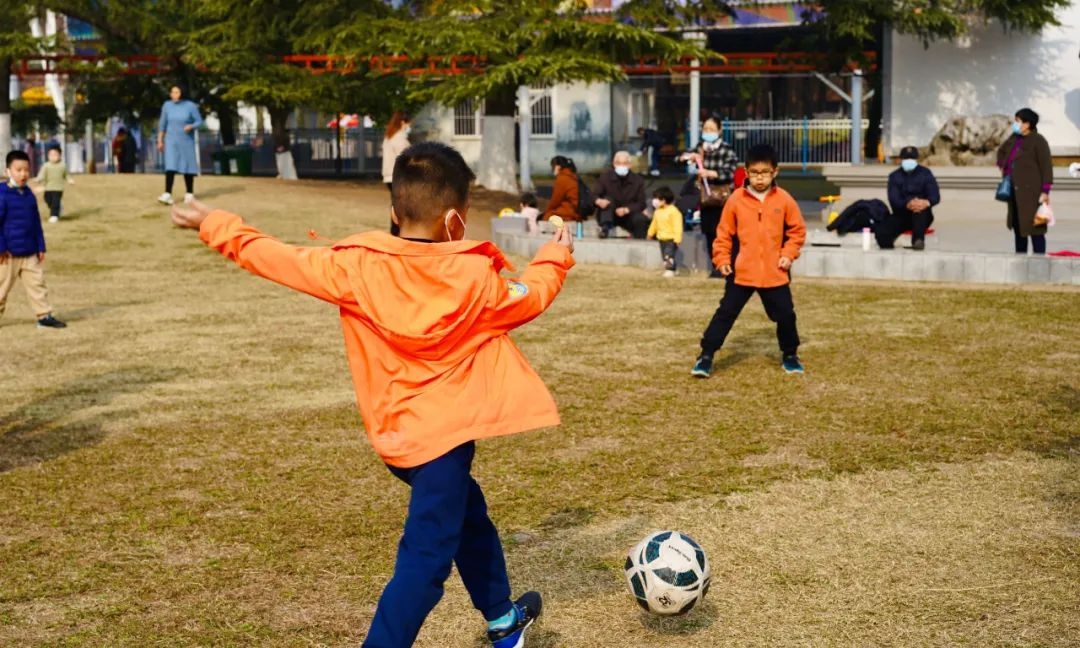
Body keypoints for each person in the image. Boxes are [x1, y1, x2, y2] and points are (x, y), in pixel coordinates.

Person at [170, 141, 575, 648]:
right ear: (456, 219)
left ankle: (502, 619)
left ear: (393, 211)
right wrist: (555, 255)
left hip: (397, 441)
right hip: (443, 446)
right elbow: (532, 295)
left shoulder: (353, 268)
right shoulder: (476, 279)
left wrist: (217, 225)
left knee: (468, 513)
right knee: (425, 564)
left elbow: (274, 257)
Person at [691, 144, 805, 378]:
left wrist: (787, 254)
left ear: (775, 172)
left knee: (785, 314)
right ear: (746, 172)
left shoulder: (784, 200)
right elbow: (723, 233)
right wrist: (721, 259)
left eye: (764, 172)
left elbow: (797, 231)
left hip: (775, 272)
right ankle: (706, 355)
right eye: (754, 173)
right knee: (725, 313)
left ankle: (790, 354)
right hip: (742, 271)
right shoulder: (736, 200)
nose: (759, 178)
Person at [0, 151, 67, 329]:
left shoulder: (28, 194)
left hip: (29, 252)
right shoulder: (2, 194)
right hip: (8, 254)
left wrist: (40, 246)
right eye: (18, 170)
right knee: (1, 288)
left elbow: (36, 222)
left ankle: (44, 317)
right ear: (8, 171)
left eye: (26, 170)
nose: (23, 174)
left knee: (37, 284)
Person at [679, 116, 739, 277]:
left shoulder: (726, 149)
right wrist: (687, 158)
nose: (708, 132)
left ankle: (727, 264)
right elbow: (681, 158)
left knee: (723, 231)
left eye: (712, 129)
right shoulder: (700, 148)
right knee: (708, 231)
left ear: (719, 130)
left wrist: (711, 173)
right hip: (705, 197)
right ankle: (715, 266)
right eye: (705, 129)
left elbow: (730, 172)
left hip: (722, 196)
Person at [996, 108, 1053, 255]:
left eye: (1018, 121)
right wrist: (1004, 166)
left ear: (1027, 124)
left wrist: (1045, 191)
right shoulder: (1014, 138)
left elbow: (1046, 166)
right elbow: (1002, 152)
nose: (1015, 124)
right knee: (1018, 228)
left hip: (1032, 193)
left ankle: (1039, 261)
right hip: (1015, 191)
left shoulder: (1038, 141)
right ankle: (1020, 259)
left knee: (1036, 229)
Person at [156, 85, 203, 206]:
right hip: (171, 140)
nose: (174, 95)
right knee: (170, 165)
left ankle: (189, 193)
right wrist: (160, 140)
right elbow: (162, 124)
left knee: (187, 166)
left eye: (176, 92)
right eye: (172, 92)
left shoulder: (190, 106)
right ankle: (167, 193)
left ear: (182, 93)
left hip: (186, 140)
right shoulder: (167, 106)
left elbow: (199, 121)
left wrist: (191, 126)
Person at [887, 145, 940, 250]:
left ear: (916, 160)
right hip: (902, 213)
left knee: (919, 213)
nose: (908, 161)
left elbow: (935, 196)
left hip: (922, 213)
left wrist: (925, 203)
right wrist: (908, 204)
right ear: (901, 160)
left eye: (911, 159)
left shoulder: (926, 174)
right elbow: (894, 199)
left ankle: (918, 241)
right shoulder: (894, 176)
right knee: (884, 230)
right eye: (906, 159)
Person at [591, 151, 648, 239]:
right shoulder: (605, 177)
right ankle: (605, 229)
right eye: (618, 163)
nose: (621, 166)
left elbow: (641, 203)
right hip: (610, 213)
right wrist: (598, 201)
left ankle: (640, 242)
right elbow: (594, 195)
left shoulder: (637, 180)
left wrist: (626, 210)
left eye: (625, 163)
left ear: (630, 165)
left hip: (629, 214)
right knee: (608, 200)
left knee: (640, 219)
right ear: (614, 164)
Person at [382, 111, 411, 236]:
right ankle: (397, 232)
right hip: (398, 176)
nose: (408, 127)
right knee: (401, 207)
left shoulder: (389, 136)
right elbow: (407, 157)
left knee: (396, 205)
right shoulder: (399, 138)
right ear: (402, 122)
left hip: (389, 176)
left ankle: (395, 232)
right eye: (408, 124)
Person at [646, 185, 683, 277]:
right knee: (665, 255)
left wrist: (677, 239)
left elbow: (677, 226)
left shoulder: (674, 212)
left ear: (664, 200)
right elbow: (654, 224)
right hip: (661, 238)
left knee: (668, 255)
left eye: (657, 198)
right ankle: (673, 269)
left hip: (670, 239)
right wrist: (650, 233)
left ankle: (670, 270)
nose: (655, 201)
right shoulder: (658, 211)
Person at [33, 147, 74, 223]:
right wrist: (38, 179)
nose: (53, 157)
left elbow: (66, 175)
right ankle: (58, 208)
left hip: (58, 188)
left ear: (60, 155)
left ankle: (54, 215)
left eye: (55, 155)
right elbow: (42, 175)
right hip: (48, 187)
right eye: (51, 155)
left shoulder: (63, 166)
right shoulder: (46, 166)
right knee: (48, 200)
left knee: (55, 201)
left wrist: (70, 180)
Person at [543, 155, 580, 223]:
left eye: (553, 167)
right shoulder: (572, 175)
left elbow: (555, 201)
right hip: (578, 210)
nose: (552, 169)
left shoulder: (562, 178)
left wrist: (547, 211)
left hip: (572, 212)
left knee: (547, 216)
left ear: (558, 167)